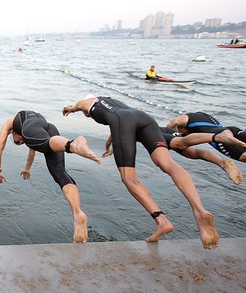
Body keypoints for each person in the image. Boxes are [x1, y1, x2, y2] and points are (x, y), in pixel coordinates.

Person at [62, 96, 220, 249]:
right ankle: (200, 210)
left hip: (121, 121)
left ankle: (161, 220)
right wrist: (108, 148)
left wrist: (71, 108)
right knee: (169, 165)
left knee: (129, 178)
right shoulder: (114, 103)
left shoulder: (89, 102)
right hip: (145, 119)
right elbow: (115, 134)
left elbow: (79, 106)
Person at [0, 110, 101, 243]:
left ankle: (72, 144)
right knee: (59, 173)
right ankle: (77, 212)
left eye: (17, 142)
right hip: (50, 128)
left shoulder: (10, 125)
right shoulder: (30, 132)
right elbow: (32, 153)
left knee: (46, 144)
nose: (20, 143)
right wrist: (27, 168)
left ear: (14, 133)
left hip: (47, 136)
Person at [103, 128, 244, 185]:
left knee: (181, 144)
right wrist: (111, 149)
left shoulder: (122, 127)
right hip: (163, 133)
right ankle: (222, 162)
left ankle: (217, 138)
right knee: (192, 153)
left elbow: (113, 138)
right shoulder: (130, 124)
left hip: (158, 136)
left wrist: (108, 148)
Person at [166, 112, 246, 162]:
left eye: (182, 134)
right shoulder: (202, 115)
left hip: (222, 137)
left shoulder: (184, 119)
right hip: (233, 130)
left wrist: (168, 137)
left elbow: (173, 122)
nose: (184, 135)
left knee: (243, 157)